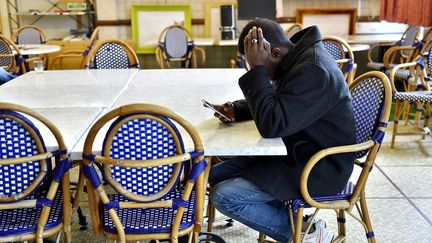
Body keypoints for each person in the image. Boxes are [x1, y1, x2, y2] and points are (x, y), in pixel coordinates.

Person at [208, 18, 356, 243]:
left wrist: (256, 69)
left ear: (275, 53)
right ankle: (297, 221)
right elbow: (283, 100)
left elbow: (272, 125)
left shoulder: (313, 70)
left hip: (319, 166)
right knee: (211, 175)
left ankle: (308, 234)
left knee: (225, 196)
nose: (263, 75)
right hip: (295, 151)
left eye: (259, 65)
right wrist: (237, 109)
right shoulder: (295, 57)